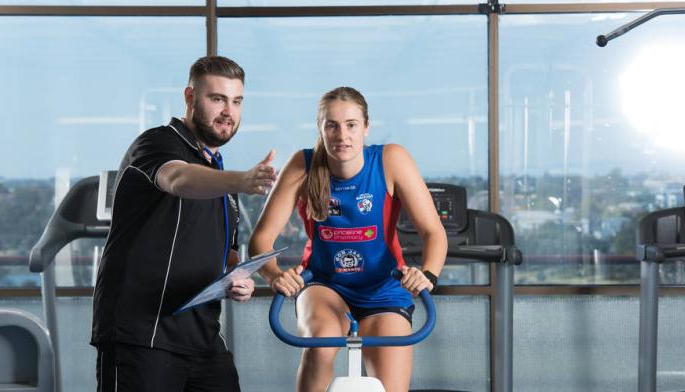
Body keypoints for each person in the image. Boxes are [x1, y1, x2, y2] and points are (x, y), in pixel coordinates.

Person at [90, 56, 277, 392]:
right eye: (217, 99)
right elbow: (177, 178)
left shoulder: (218, 175)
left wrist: (239, 280)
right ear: (190, 97)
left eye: (236, 101)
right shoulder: (156, 143)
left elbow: (226, 254)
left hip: (202, 338)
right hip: (143, 334)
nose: (228, 111)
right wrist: (241, 180)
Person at [249, 86, 448, 392]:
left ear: (365, 128)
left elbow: (433, 232)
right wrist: (275, 275)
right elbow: (261, 239)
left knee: (391, 386)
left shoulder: (390, 160)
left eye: (351, 125)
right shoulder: (303, 165)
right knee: (319, 344)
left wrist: (428, 273)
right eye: (332, 125)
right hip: (324, 284)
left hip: (382, 286)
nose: (342, 135)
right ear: (321, 129)